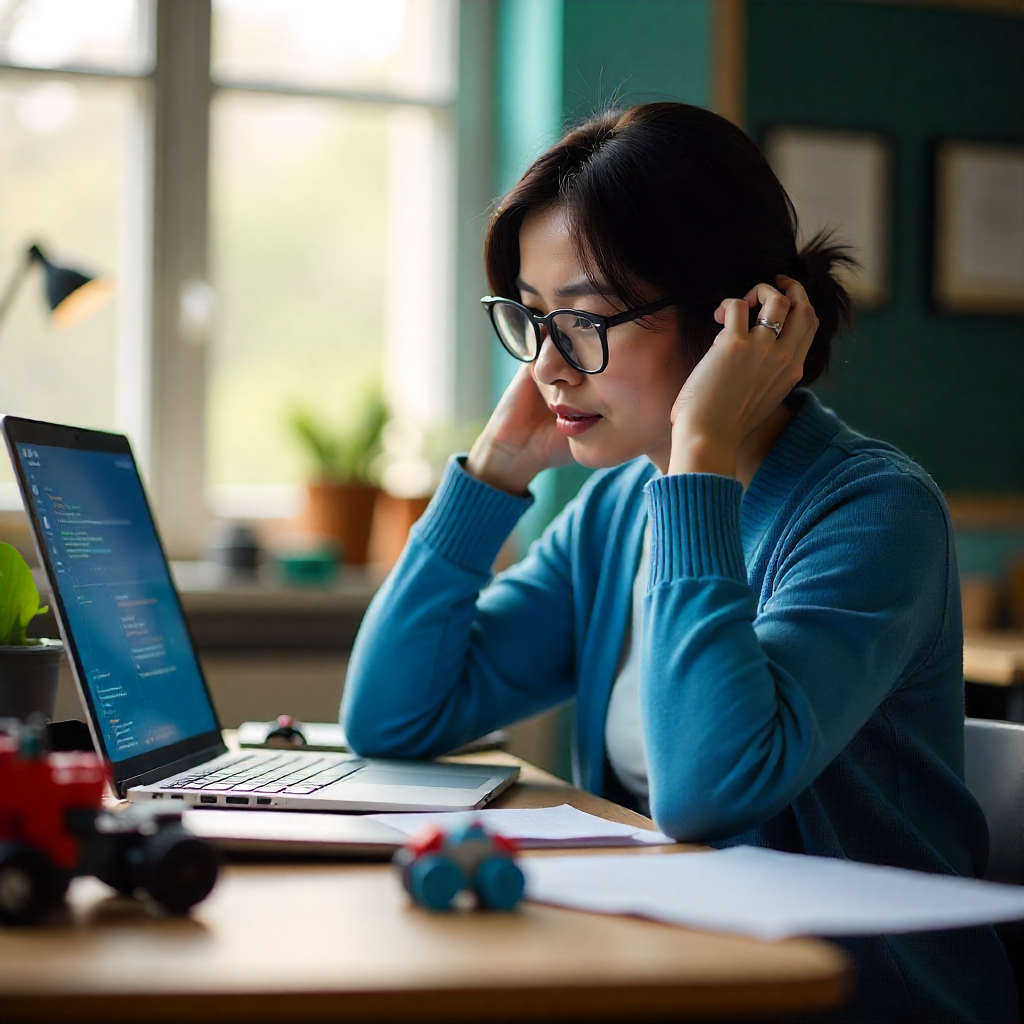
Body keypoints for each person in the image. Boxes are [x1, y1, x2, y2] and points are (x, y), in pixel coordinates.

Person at [342, 103, 1018, 1023]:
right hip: (679, 974)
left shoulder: (873, 514)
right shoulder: (619, 509)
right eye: (533, 322)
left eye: (581, 322)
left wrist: (700, 452)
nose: (547, 366)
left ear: (732, 319)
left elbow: (708, 793)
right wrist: (495, 470)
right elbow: (392, 717)